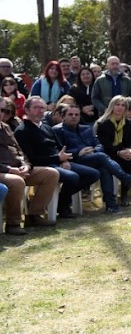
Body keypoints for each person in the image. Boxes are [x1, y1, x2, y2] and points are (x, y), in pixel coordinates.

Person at [15, 95, 101, 214]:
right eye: (36, 108)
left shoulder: (46, 127)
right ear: (27, 110)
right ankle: (63, 206)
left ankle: (60, 202)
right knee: (72, 177)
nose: (40, 111)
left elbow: (60, 147)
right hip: (43, 166)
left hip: (58, 162)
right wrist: (58, 158)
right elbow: (31, 158)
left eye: (42, 108)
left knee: (93, 174)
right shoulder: (22, 131)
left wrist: (64, 160)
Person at [0, 96, 61, 233]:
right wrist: (10, 170)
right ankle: (13, 223)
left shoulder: (6, 128)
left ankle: (34, 215)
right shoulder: (22, 130)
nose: (2, 114)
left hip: (19, 169)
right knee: (16, 181)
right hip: (4, 172)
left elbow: (20, 151)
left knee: (51, 174)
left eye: (6, 111)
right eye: (1, 110)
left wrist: (26, 165)